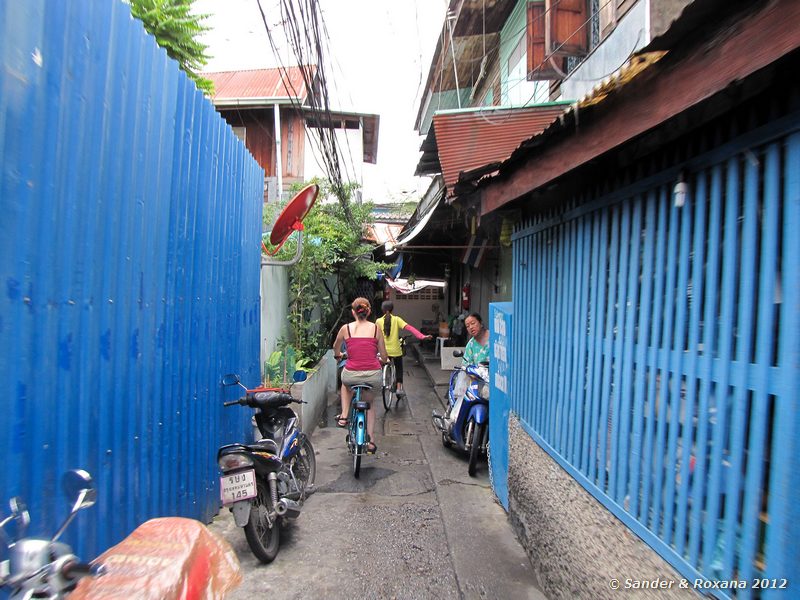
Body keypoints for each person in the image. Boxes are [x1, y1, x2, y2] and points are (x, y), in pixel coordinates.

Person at [332, 297, 389, 454]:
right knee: (369, 403)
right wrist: (382, 360)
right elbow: (384, 356)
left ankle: (344, 415)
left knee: (345, 384)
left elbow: (335, 348)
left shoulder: (346, 329)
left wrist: (339, 355)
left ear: (353, 312)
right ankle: (370, 440)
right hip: (373, 375)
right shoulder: (376, 329)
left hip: (351, 375)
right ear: (369, 311)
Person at [375, 300, 431, 398]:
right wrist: (422, 336)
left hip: (383, 352)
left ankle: (382, 382)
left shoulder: (378, 321)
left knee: (380, 364)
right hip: (396, 351)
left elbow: (374, 336)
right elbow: (410, 328)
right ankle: (399, 388)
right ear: (392, 309)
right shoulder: (397, 319)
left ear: (382, 310)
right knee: (399, 368)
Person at [445, 312, 490, 424]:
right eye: (468, 326)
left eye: (473, 323)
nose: (470, 327)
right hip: (477, 379)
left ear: (480, 323)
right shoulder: (471, 344)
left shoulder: (494, 338)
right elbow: (465, 363)